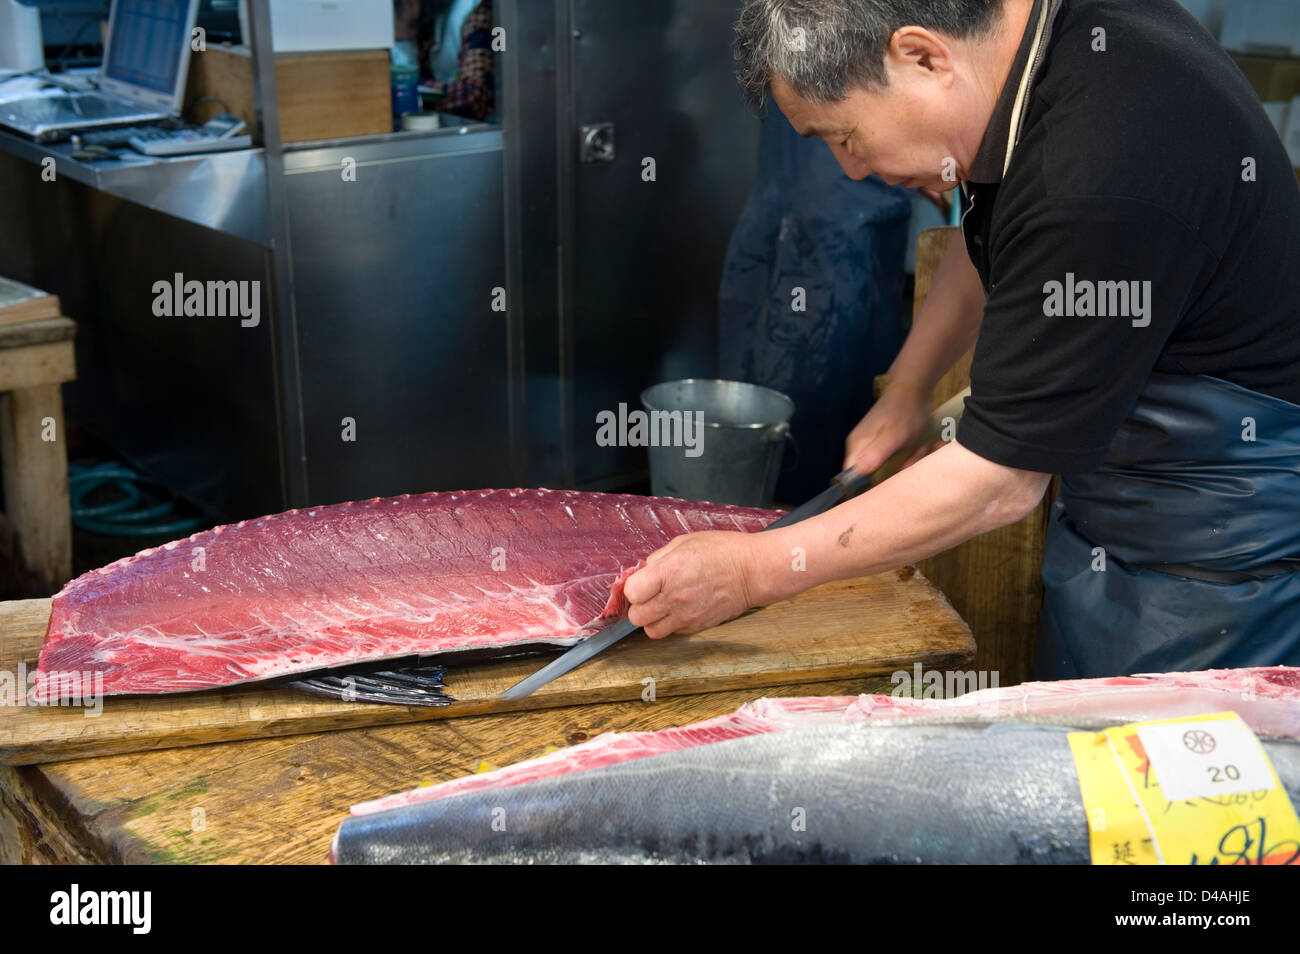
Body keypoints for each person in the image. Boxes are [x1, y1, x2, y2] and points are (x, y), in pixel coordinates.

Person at [623, 0, 1300, 679]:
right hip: (1117, 521)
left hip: (1225, 562)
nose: (852, 171)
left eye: (845, 137)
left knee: (1169, 779)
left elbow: (999, 481)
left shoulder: (1096, 161)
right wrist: (912, 387)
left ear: (922, 57)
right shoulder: (1032, 53)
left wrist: (749, 571)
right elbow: (1000, 231)